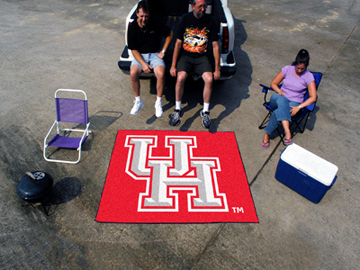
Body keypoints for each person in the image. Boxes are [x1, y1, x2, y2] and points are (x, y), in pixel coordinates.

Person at [169, 0, 220, 128]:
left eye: (205, 6)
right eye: (200, 6)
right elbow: (178, 43)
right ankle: (177, 110)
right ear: (193, 6)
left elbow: (215, 46)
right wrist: (173, 65)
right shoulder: (185, 19)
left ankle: (206, 112)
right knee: (180, 78)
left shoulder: (211, 21)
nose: (203, 9)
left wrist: (217, 69)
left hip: (202, 57)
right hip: (186, 56)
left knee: (209, 80)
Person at [262, 49, 317, 148]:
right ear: (295, 63)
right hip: (277, 98)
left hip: (294, 103)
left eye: (302, 69)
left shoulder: (309, 76)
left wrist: (299, 107)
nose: (300, 70)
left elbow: (313, 97)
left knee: (277, 112)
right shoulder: (287, 69)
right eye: (298, 67)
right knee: (282, 98)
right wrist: (279, 91)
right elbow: (273, 83)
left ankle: (267, 134)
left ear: (306, 66)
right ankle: (287, 131)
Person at [128, 0, 173, 117]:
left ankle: (158, 102)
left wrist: (163, 51)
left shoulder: (154, 22)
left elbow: (170, 34)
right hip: (140, 55)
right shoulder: (132, 27)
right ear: (137, 13)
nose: (144, 19)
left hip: (154, 54)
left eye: (146, 16)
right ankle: (138, 101)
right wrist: (143, 64)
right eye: (142, 16)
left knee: (161, 74)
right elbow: (133, 49)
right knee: (133, 73)